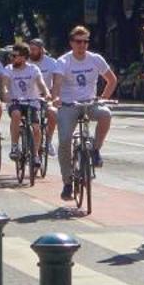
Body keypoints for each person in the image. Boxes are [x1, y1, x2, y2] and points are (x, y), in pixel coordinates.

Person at [50, 25, 117, 199]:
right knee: (64, 140)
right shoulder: (63, 61)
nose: (82, 45)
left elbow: (111, 80)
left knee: (106, 114)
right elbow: (57, 83)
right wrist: (56, 97)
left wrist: (102, 98)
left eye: (86, 41)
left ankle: (95, 149)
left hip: (90, 103)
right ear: (71, 43)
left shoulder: (95, 59)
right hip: (68, 105)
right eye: (78, 42)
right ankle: (67, 182)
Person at [3, 42, 52, 165]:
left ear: (24, 57)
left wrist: (46, 93)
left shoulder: (33, 69)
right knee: (16, 114)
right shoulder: (8, 69)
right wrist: (5, 93)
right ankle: (14, 146)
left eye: (15, 56)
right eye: (12, 56)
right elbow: (4, 84)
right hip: (15, 102)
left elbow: (40, 83)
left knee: (36, 128)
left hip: (32, 102)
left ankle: (35, 155)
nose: (12, 58)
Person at [28, 38, 62, 152]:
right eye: (30, 49)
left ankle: (48, 140)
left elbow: (57, 81)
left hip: (45, 96)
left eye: (34, 49)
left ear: (41, 50)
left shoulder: (52, 62)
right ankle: (22, 141)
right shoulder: (25, 62)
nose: (31, 52)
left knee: (53, 113)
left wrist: (55, 96)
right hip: (28, 97)